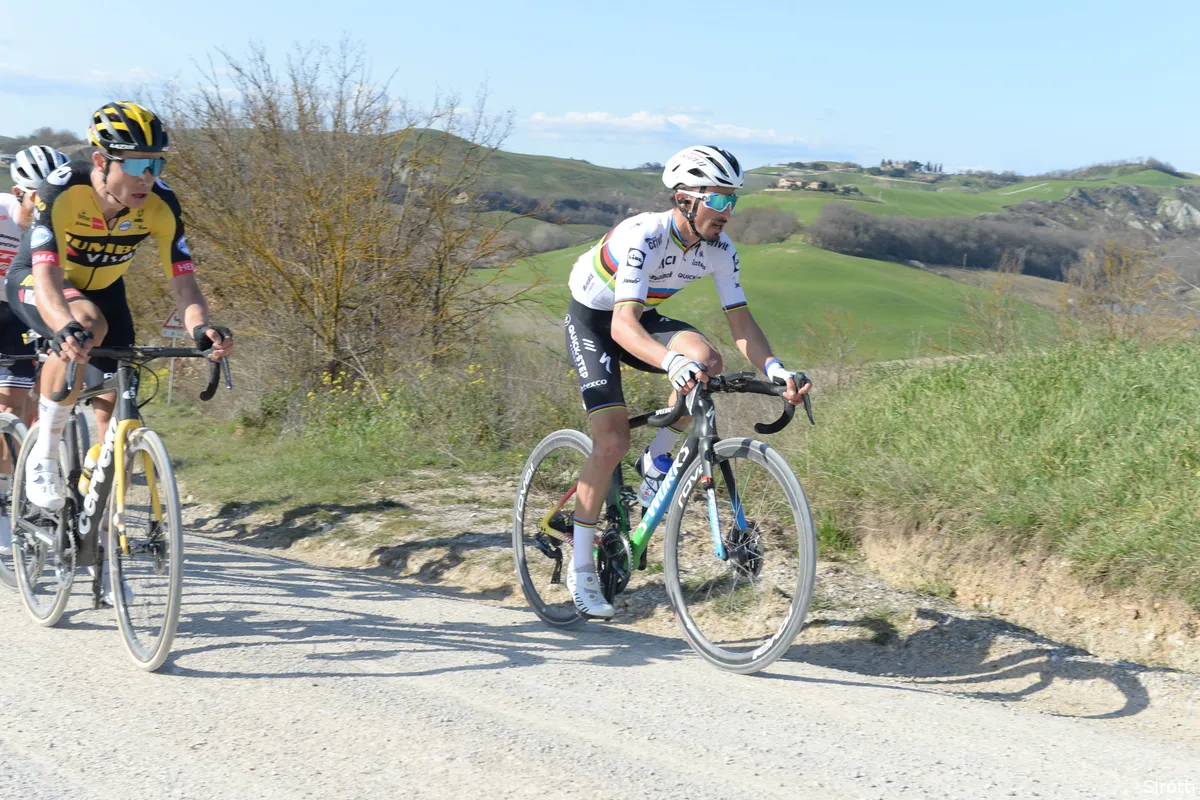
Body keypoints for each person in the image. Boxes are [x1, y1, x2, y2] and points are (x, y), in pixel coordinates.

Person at [563, 145, 811, 617]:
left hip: (639, 315)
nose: (727, 212)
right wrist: (670, 364)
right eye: (717, 201)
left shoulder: (720, 250)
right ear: (684, 200)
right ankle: (581, 572)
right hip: (597, 321)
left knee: (707, 360)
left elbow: (741, 324)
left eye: (732, 201)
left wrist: (777, 371)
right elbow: (620, 328)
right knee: (610, 441)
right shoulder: (644, 236)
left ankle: (656, 461)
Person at [7, 101, 233, 512]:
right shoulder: (62, 188)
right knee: (87, 325)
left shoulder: (162, 204)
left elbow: (185, 284)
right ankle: (45, 452)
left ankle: (105, 539)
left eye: (156, 165)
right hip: (39, 280)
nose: (147, 177)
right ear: (100, 160)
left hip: (107, 289)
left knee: (118, 414)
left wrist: (201, 329)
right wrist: (63, 327)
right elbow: (46, 277)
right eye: (136, 165)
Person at [0, 145, 70, 555]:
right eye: (36, 199)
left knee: (22, 412)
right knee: (11, 406)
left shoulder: (58, 223)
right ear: (18, 192)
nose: (44, 208)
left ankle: (15, 495)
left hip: (23, 312)